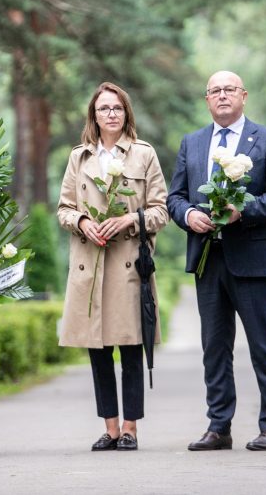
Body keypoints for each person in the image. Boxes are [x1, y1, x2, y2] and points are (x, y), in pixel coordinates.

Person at [167, 70, 266, 452]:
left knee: (263, 345)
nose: (222, 96)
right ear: (207, 100)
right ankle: (218, 426)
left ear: (244, 95)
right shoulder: (192, 142)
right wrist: (188, 215)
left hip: (252, 258)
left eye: (229, 89)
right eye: (214, 91)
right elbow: (175, 197)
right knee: (214, 347)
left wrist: (245, 209)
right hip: (207, 258)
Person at [57, 82, 169, 452]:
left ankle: (131, 427)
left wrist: (129, 221)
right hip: (90, 265)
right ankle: (110, 428)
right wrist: (83, 223)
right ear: (94, 115)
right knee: (98, 350)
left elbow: (160, 210)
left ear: (126, 113)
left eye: (117, 108)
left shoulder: (143, 155)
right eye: (104, 108)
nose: (111, 114)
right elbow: (64, 209)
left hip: (128, 266)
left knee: (131, 348)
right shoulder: (79, 158)